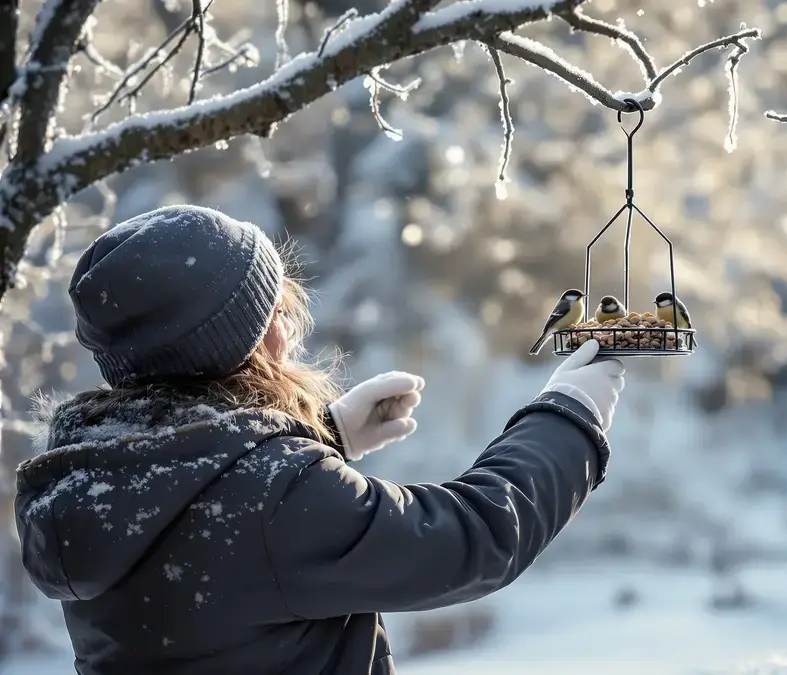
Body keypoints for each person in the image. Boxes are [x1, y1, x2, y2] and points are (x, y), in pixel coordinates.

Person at [13, 205, 625, 675]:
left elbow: (208, 530)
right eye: (273, 312)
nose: (287, 327)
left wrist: (320, 434)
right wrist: (569, 414)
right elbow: (475, 537)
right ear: (244, 343)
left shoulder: (87, 485)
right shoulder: (275, 501)